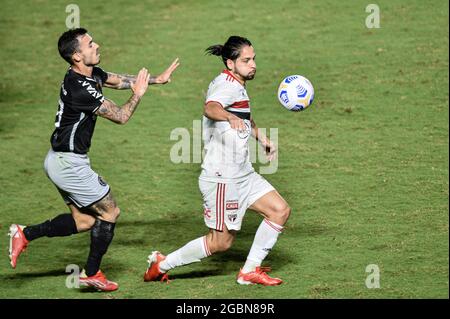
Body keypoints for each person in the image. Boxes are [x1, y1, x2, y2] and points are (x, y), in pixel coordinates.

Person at [8, 28, 179, 292]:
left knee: (86, 221)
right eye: (90, 44)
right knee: (110, 212)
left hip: (59, 160)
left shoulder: (86, 74)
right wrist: (140, 94)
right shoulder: (80, 89)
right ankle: (92, 273)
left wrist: (158, 79)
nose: (97, 45)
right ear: (77, 56)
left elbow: (118, 80)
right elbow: (121, 116)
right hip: (68, 164)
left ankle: (25, 234)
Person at [143, 36, 291, 286]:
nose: (253, 64)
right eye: (246, 60)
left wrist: (261, 137)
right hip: (223, 178)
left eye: (253, 58)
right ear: (230, 63)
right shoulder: (227, 87)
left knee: (279, 210)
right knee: (220, 242)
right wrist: (227, 117)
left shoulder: (237, 83)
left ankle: (249, 271)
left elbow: (243, 116)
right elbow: (210, 107)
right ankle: (162, 263)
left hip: (243, 173)